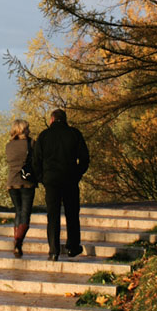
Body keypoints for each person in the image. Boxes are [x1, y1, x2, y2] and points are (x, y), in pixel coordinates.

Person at [32, 109, 89, 261]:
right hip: (70, 178)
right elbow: (84, 158)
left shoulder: (44, 136)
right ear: (65, 119)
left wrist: (42, 178)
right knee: (72, 213)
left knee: (53, 215)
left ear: (51, 120)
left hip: (51, 180)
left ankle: (53, 250)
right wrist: (77, 174)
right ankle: (72, 246)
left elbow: (36, 161)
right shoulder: (74, 134)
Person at [5, 119, 37, 257]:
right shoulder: (31, 143)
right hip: (27, 182)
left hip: (12, 182)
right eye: (28, 128)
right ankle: (19, 241)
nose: (29, 130)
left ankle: (16, 240)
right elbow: (37, 160)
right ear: (24, 129)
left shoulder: (9, 145)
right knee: (26, 213)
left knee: (18, 211)